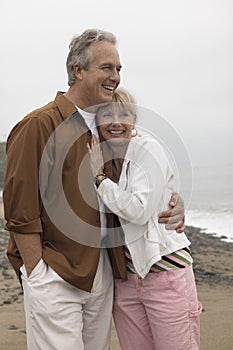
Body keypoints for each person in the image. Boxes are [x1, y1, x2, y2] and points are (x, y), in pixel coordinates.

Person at [3, 29, 185, 350]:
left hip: (103, 272)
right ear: (79, 70)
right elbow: (19, 208)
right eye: (106, 67)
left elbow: (140, 180)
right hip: (55, 272)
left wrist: (174, 201)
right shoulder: (39, 124)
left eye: (118, 69)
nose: (115, 76)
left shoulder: (106, 130)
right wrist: (38, 274)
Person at [88, 87, 202, 350]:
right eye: (107, 115)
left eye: (124, 114)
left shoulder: (148, 149)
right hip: (125, 281)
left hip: (166, 275)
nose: (116, 122)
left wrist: (100, 180)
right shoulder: (99, 156)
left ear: (134, 120)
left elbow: (139, 210)